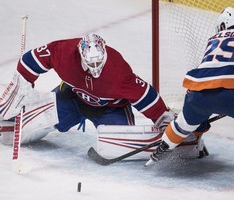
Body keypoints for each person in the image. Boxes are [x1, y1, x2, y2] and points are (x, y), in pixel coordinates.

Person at [146, 7, 234, 166]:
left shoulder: (212, 39)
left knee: (182, 125)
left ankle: (155, 158)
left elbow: (210, 78)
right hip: (232, 96)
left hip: (195, 95)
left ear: (222, 26)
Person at [0, 33, 178, 145]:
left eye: (98, 62)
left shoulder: (118, 70)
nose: (95, 69)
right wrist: (23, 86)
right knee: (27, 128)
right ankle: (14, 116)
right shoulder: (65, 52)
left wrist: (163, 118)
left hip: (110, 109)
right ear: (80, 54)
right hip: (72, 98)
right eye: (90, 63)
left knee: (119, 145)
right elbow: (30, 60)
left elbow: (144, 94)